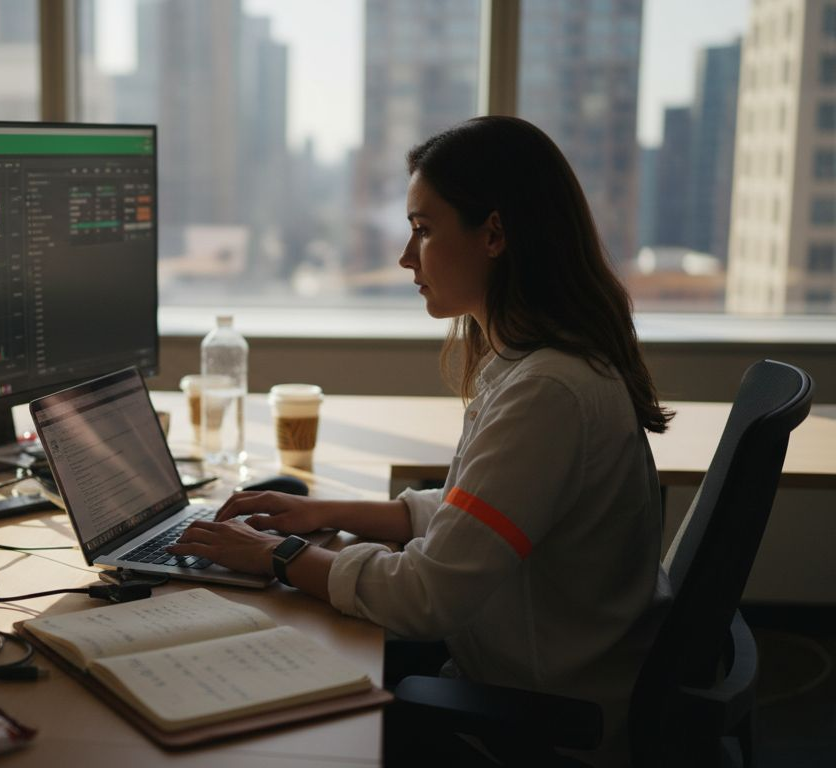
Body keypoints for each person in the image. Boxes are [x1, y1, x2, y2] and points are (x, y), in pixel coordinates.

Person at [168, 115, 670, 764]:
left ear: (493, 234)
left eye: (424, 231)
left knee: (285, 728)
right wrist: (329, 513)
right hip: (530, 671)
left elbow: (426, 596)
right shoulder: (538, 363)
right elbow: (486, 513)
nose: (407, 257)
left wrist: (276, 554)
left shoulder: (549, 392)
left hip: (539, 719)